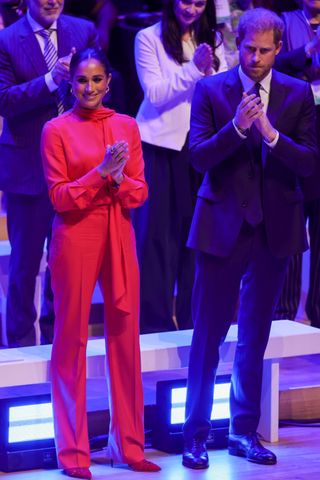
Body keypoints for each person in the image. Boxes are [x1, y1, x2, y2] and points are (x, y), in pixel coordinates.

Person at [182, 7, 317, 470]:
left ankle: (242, 431)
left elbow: (310, 163)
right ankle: (195, 434)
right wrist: (238, 128)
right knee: (208, 336)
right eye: (248, 49)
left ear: (280, 49)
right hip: (221, 226)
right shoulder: (210, 89)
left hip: (273, 228)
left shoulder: (298, 93)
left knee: (253, 336)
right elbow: (197, 157)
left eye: (264, 51)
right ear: (237, 45)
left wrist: (271, 134)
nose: (255, 58)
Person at [41, 48, 161, 479]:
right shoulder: (55, 130)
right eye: (81, 81)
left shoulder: (126, 126)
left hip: (118, 232)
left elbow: (139, 193)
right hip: (74, 236)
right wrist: (101, 173)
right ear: (70, 83)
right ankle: (73, 454)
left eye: (96, 80)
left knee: (126, 339)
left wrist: (118, 176)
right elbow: (59, 198)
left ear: (109, 81)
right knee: (70, 339)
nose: (89, 88)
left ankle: (129, 446)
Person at [0, 0, 99, 347]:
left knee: (66, 262)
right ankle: (21, 347)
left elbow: (98, 86)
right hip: (28, 171)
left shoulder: (82, 30)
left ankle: (63, 341)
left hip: (75, 169)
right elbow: (4, 100)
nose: (52, 0)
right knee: (25, 267)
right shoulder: (8, 39)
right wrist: (49, 80)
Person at [134, 0, 228, 334]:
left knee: (197, 238)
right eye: (185, 1)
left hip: (201, 148)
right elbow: (156, 94)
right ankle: (154, 327)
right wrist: (194, 69)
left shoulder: (213, 39)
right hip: (160, 147)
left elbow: (224, 87)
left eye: (199, 3)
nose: (191, 9)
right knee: (156, 240)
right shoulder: (149, 38)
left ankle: (193, 324)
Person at [273, 0, 320, 329]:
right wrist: (307, 49)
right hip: (296, 123)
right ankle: (282, 315)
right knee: (291, 215)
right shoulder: (285, 22)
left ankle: (317, 314)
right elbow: (270, 66)